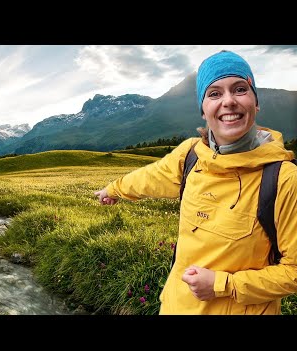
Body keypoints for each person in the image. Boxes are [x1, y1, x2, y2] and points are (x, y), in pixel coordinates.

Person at [94, 50, 297, 315]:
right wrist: (113, 189)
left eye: (240, 89)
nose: (228, 101)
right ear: (202, 109)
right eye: (214, 93)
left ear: (255, 102)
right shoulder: (190, 155)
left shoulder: (284, 179)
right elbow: (149, 177)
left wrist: (224, 285)